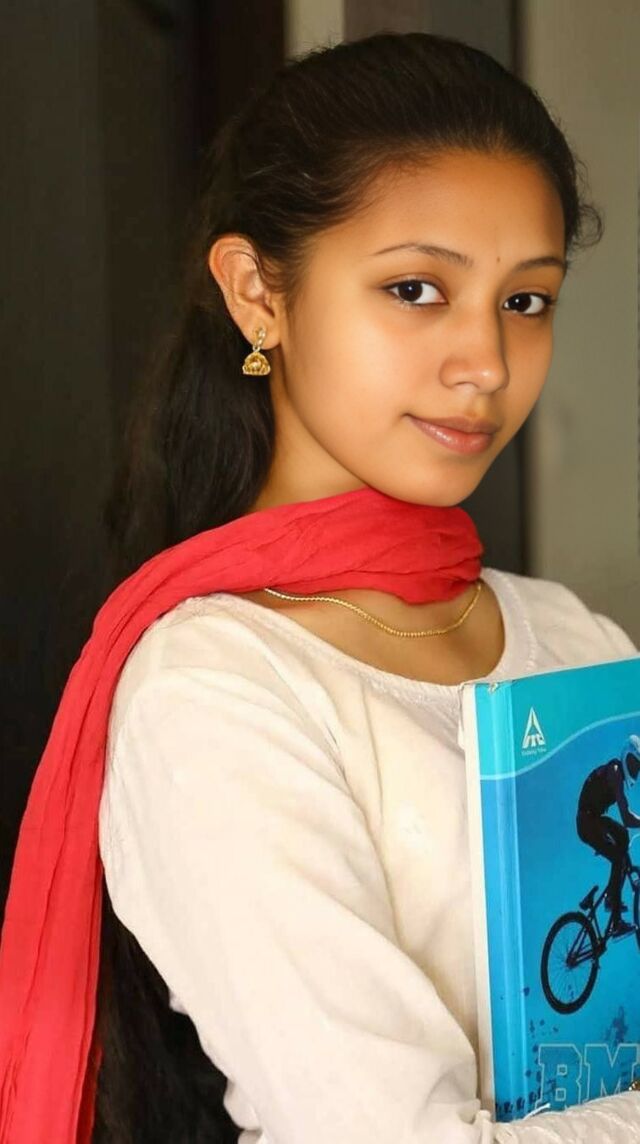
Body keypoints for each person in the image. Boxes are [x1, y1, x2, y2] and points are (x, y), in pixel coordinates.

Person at [2, 29, 640, 1144]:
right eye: (416, 289)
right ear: (258, 294)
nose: (486, 364)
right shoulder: (216, 688)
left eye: (525, 301)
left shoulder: (573, 635)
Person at [577, 735, 640, 937]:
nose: (635, 769)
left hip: (594, 820)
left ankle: (611, 897)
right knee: (618, 857)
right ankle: (616, 921)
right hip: (587, 822)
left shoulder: (617, 774)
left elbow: (625, 823)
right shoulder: (614, 772)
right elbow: (627, 817)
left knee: (622, 835)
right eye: (633, 763)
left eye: (638, 767)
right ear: (625, 755)